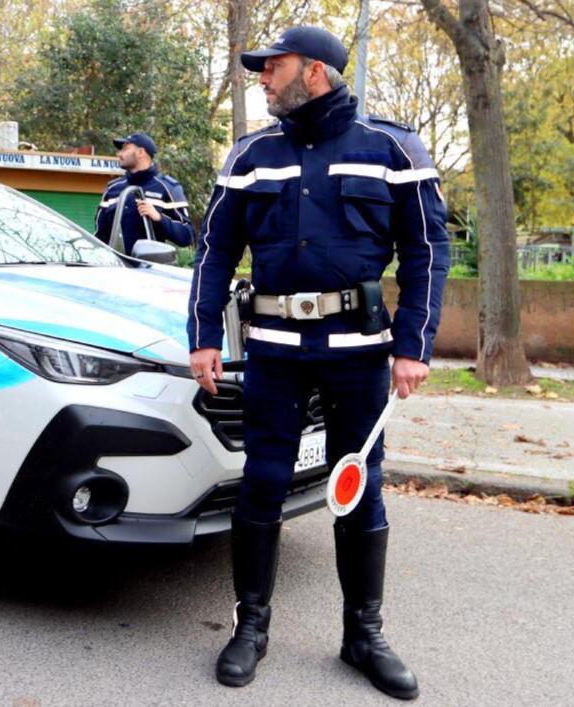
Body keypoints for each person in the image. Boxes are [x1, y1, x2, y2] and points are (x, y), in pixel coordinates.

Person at [186, 26, 449, 699]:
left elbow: (426, 251)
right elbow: (215, 251)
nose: (263, 79)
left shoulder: (392, 148)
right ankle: (250, 627)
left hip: (360, 356)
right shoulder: (251, 156)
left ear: (316, 70)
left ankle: (364, 634)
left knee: (358, 486)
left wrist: (412, 344)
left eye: (273, 68)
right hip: (273, 353)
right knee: (261, 483)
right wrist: (204, 335)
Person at [94, 132, 194, 253]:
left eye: (125, 149)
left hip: (150, 270)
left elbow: (187, 235)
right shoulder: (112, 189)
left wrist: (159, 218)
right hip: (115, 269)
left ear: (141, 152)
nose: (119, 154)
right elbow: (99, 237)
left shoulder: (169, 188)